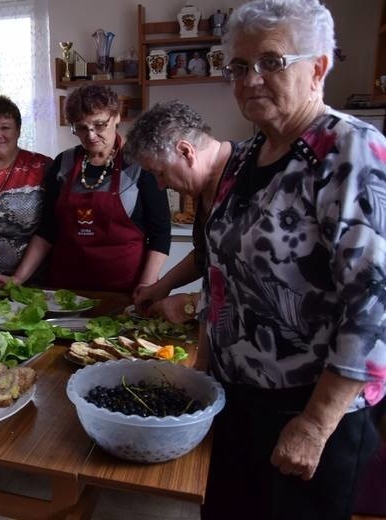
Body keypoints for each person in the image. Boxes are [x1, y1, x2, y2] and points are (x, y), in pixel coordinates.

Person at [200, 0, 386, 518]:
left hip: (308, 411)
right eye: (238, 66)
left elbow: (373, 305)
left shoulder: (349, 149)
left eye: (271, 61)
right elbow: (220, 275)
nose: (251, 79)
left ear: (319, 67)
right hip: (236, 402)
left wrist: (314, 425)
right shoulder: (242, 157)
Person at [0, 84, 171, 293]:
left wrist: (146, 285)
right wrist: (18, 278)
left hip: (124, 290)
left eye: (99, 125)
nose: (91, 135)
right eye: (82, 128)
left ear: (117, 117)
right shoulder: (63, 163)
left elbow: (160, 234)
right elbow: (48, 230)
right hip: (65, 290)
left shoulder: (142, 163)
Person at [125, 101, 237, 324]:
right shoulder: (205, 187)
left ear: (186, 152)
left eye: (160, 173)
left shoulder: (248, 178)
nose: (159, 185)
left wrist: (193, 304)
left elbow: (266, 280)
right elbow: (205, 254)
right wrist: (162, 286)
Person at [0, 95, 51, 282]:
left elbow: (50, 228)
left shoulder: (43, 167)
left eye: (5, 127)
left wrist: (17, 279)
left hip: (33, 282)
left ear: (19, 130)